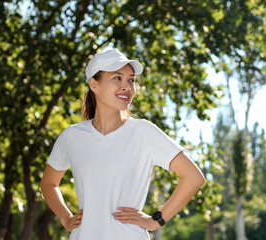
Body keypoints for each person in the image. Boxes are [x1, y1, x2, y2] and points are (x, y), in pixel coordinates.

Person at [40, 49, 206, 240]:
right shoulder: (72, 136)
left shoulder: (143, 132)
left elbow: (193, 177)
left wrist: (155, 220)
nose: (127, 86)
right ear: (94, 84)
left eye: (131, 80)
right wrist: (66, 218)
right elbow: (48, 183)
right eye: (117, 78)